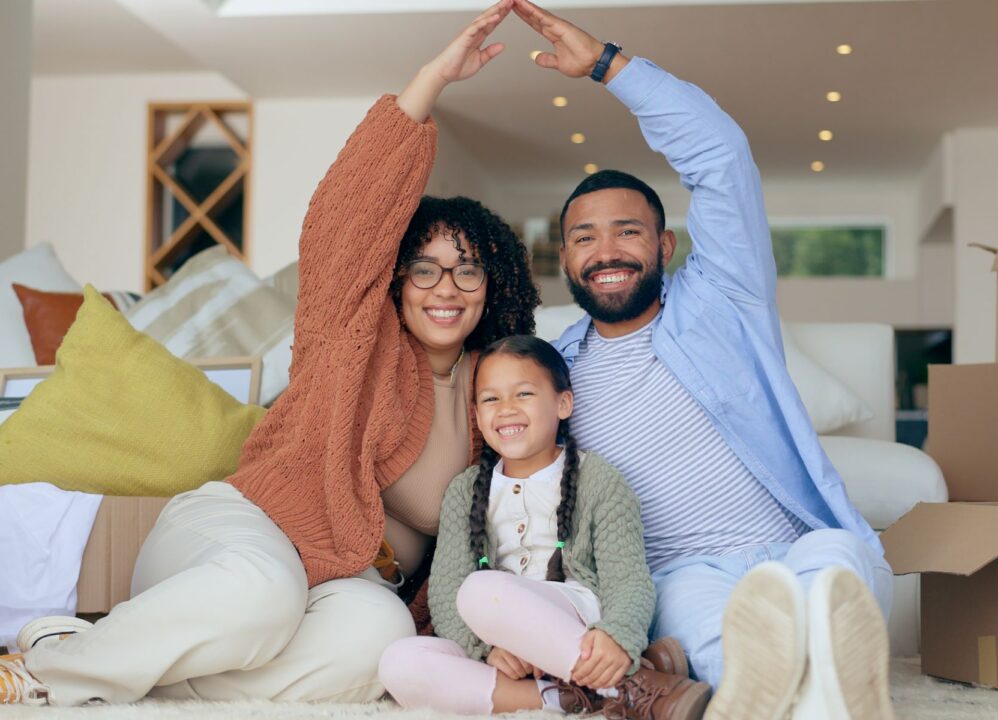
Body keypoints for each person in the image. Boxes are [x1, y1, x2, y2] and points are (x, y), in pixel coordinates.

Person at [0, 1, 541, 706]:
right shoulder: (354, 339)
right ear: (397, 280)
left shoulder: (495, 388)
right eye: (426, 267)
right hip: (240, 534)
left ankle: (122, 674)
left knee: (380, 643)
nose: (447, 286)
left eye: (468, 269)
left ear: (490, 286)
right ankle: (41, 677)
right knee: (264, 593)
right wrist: (427, 86)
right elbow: (340, 225)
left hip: (355, 586)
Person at [512, 1, 895, 719]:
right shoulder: (552, 376)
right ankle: (828, 690)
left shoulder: (723, 299)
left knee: (838, 568)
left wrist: (607, 65)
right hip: (684, 574)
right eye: (585, 238)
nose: (606, 251)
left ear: (665, 249)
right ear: (564, 259)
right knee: (727, 649)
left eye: (629, 231)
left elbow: (720, 157)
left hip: (798, 543)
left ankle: (821, 670)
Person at [378, 335, 710, 719]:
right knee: (400, 662)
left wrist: (618, 636)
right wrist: (486, 650)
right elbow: (447, 589)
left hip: (577, 623)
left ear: (563, 403)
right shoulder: (466, 491)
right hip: (499, 632)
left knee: (481, 590)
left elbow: (629, 579)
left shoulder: (599, 480)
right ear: (477, 413)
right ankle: (578, 696)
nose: (505, 410)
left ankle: (632, 684)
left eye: (523, 394)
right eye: (490, 399)